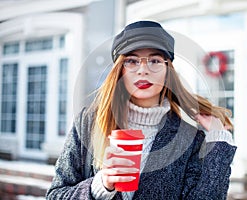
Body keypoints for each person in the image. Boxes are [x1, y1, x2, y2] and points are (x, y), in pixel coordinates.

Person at [46, 20, 236, 200]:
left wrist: (218, 141)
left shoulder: (189, 138)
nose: (143, 70)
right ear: (120, 70)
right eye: (132, 61)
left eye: (154, 61)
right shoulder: (88, 123)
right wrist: (100, 185)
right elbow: (56, 194)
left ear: (168, 70)